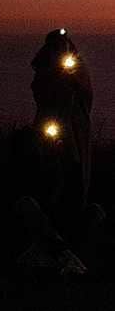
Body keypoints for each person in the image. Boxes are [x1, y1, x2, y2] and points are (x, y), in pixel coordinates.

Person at [12, 30, 101, 275]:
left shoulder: (77, 68)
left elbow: (85, 94)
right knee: (47, 175)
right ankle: (48, 234)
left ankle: (67, 233)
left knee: (72, 174)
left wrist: (73, 79)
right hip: (50, 127)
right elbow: (40, 93)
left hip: (72, 130)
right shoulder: (44, 69)